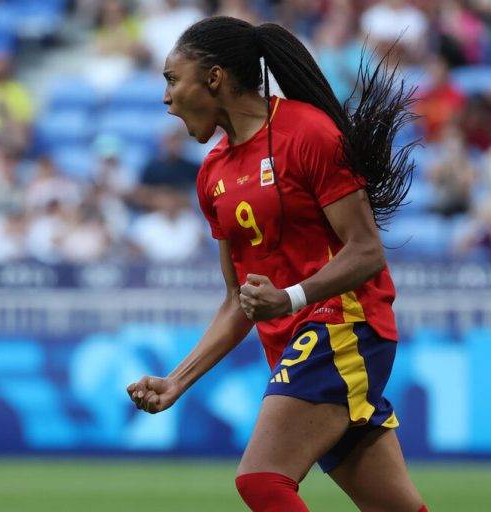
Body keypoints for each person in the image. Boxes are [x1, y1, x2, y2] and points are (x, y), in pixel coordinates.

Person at [126, 16, 428, 512]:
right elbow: (237, 300)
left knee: (261, 481)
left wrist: (290, 298)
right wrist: (176, 380)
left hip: (344, 326)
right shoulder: (212, 176)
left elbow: (367, 249)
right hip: (298, 343)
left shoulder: (307, 132)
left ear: (215, 78)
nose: (166, 98)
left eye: (172, 80)